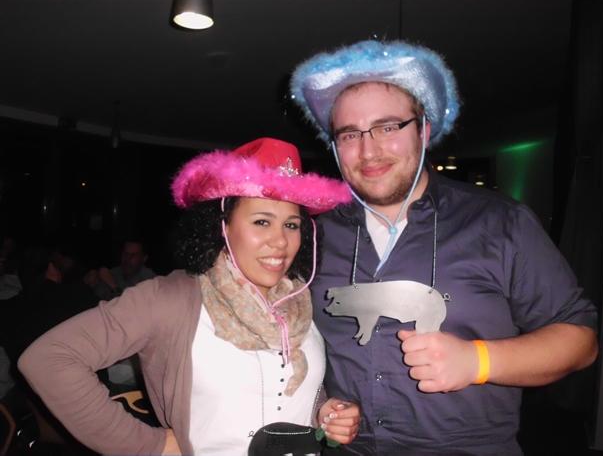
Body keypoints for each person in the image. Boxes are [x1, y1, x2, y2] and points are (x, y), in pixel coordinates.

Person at [290, 40, 598, 455]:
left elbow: (580, 340)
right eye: (349, 134)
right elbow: (295, 345)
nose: (368, 150)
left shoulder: (501, 222)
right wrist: (323, 404)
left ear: (424, 130)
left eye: (388, 127)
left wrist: (478, 361)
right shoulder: (313, 234)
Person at [18, 137, 359, 456]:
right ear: (223, 226)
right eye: (261, 221)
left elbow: (282, 390)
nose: (280, 241)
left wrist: (324, 411)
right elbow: (49, 359)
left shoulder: (299, 301)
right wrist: (149, 445)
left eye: (291, 225)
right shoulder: (171, 299)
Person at [86, 238, 156, 302]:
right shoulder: (116, 271)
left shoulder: (149, 280)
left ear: (144, 258)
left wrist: (113, 286)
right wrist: (93, 283)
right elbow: (102, 297)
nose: (127, 259)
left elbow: (129, 306)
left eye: (133, 255)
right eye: (125, 254)